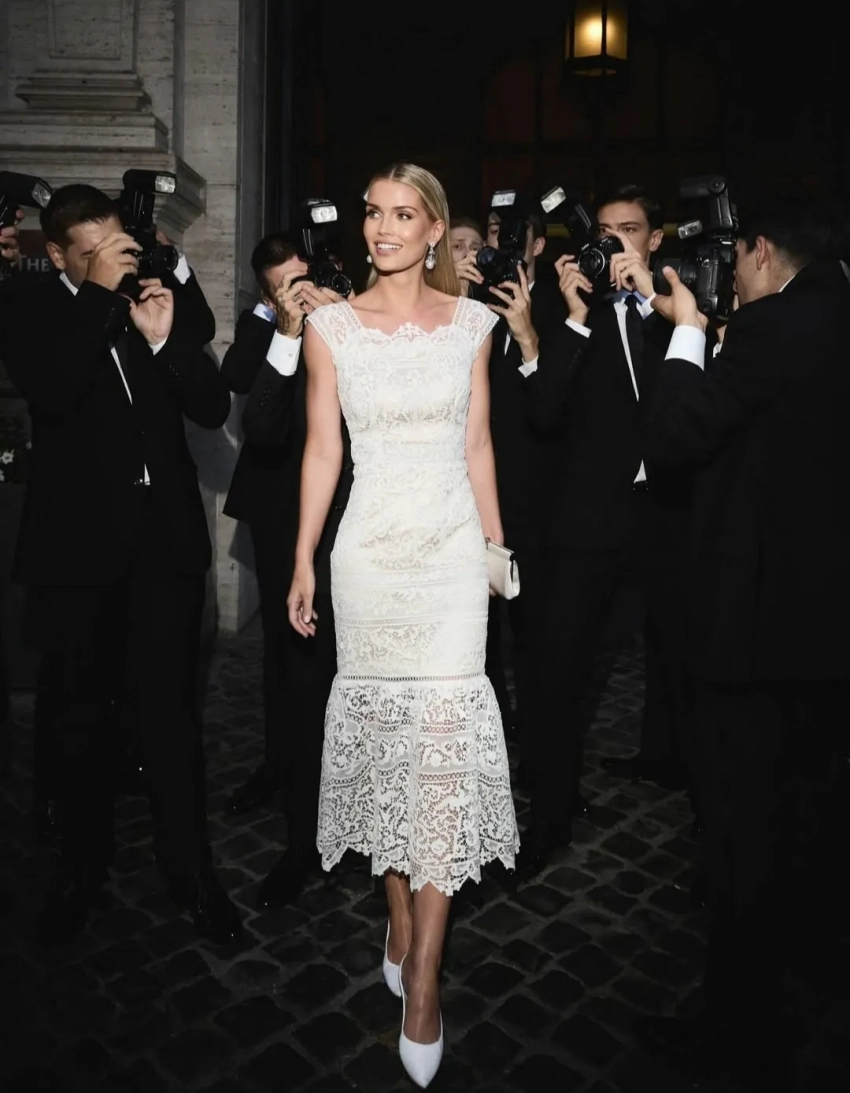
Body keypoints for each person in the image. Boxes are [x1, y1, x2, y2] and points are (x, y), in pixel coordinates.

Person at [287, 163, 518, 1088]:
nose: (381, 228)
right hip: (371, 561)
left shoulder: (474, 326)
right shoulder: (330, 327)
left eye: (402, 214)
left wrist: (496, 547)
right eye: (372, 213)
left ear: (434, 230)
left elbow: (478, 443)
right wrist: (303, 558)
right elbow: (322, 448)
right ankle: (398, 914)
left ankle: (424, 974)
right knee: (389, 756)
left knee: (442, 756)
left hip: (453, 561)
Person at [637, 197, 850, 1082]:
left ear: (760, 250)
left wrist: (688, 333)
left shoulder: (774, 329)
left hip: (757, 635)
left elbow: (676, 434)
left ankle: (743, 1030)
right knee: (808, 820)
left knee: (743, 837)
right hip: (822, 630)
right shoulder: (835, 313)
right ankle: (808, 986)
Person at [1, 184, 240, 946]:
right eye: (95, 252)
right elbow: (53, 390)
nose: (115, 261)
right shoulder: (32, 307)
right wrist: (101, 299)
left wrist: (165, 342)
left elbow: (210, 407)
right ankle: (81, 872)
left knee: (171, 718)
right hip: (79, 555)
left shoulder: (149, 299)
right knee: (79, 722)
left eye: (119, 247)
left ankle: (192, 874)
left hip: (162, 551)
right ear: (60, 254)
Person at [515, 184, 704, 878]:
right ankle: (549, 817)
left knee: (690, 661)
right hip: (589, 520)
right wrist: (574, 315)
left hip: (672, 515)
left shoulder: (681, 302)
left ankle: (705, 818)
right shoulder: (570, 306)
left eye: (629, 228)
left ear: (654, 239)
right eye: (603, 229)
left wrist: (657, 300)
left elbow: (703, 393)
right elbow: (543, 410)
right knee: (561, 669)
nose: (615, 240)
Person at [222, 232, 353, 906]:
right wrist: (286, 325)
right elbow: (260, 418)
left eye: (304, 278)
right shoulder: (275, 326)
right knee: (294, 666)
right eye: (283, 285)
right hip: (289, 522)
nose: (298, 291)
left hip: (361, 525)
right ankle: (300, 829)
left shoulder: (358, 316)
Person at [457, 203, 574, 802]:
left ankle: (541, 762)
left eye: (512, 235)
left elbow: (552, 414)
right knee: (472, 641)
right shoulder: (466, 308)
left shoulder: (557, 307)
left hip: (529, 507)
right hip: (461, 501)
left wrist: (528, 338)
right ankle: (484, 750)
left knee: (534, 642)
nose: (500, 245)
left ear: (537, 246)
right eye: (494, 232)